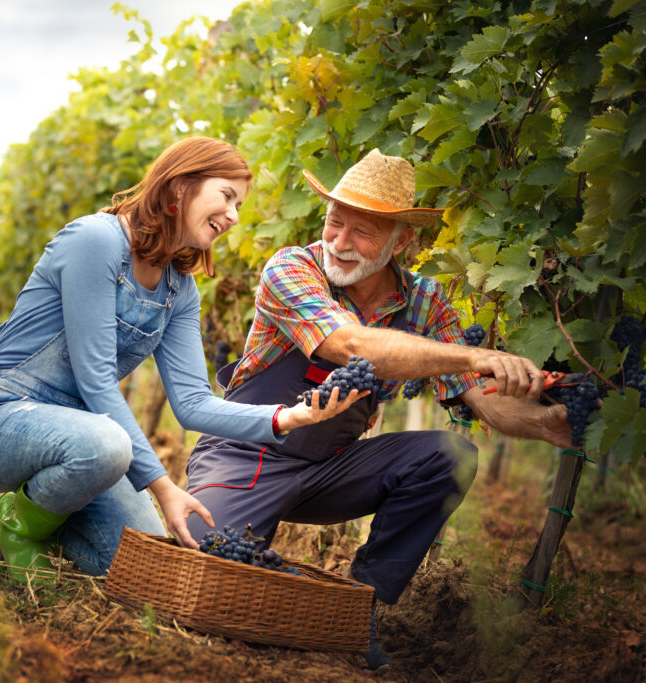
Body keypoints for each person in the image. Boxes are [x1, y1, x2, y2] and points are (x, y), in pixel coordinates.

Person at [183, 148, 573, 669]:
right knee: (211, 568)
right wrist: (476, 353)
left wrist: (547, 425)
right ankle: (285, 595)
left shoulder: (425, 303)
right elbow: (347, 345)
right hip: (246, 453)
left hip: (330, 466)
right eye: (334, 222)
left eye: (361, 232)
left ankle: (354, 611)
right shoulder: (293, 268)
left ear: (401, 241)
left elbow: (482, 401)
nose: (340, 243)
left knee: (449, 454)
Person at [0, 136, 368, 585]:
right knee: (109, 446)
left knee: (142, 575)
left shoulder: (178, 291)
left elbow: (191, 404)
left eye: (239, 204)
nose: (234, 216)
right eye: (226, 196)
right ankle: (21, 528)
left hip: (81, 439)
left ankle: (39, 506)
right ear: (181, 185)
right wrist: (164, 487)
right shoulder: (96, 241)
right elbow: (96, 382)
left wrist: (288, 418)